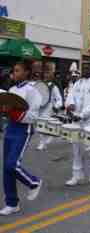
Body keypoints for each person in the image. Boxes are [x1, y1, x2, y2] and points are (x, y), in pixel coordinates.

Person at [0, 61, 42, 215]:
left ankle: (34, 182)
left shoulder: (32, 91)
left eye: (18, 70)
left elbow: (33, 116)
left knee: (12, 164)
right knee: (6, 169)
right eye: (14, 70)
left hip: (23, 130)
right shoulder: (11, 89)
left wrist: (12, 112)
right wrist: (4, 110)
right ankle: (12, 203)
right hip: (10, 128)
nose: (14, 73)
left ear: (26, 72)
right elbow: (7, 110)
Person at [65, 62, 90, 186]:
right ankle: (77, 175)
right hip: (76, 119)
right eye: (84, 68)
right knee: (76, 148)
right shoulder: (78, 83)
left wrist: (81, 115)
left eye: (88, 68)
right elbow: (70, 96)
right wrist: (70, 105)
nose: (85, 70)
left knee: (88, 147)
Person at [37, 63, 63, 150]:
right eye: (45, 73)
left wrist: (56, 106)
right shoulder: (39, 84)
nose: (46, 75)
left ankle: (42, 143)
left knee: (43, 125)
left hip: (49, 108)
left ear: (51, 75)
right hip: (39, 107)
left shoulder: (53, 87)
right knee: (39, 126)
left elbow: (59, 99)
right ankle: (44, 141)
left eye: (48, 73)